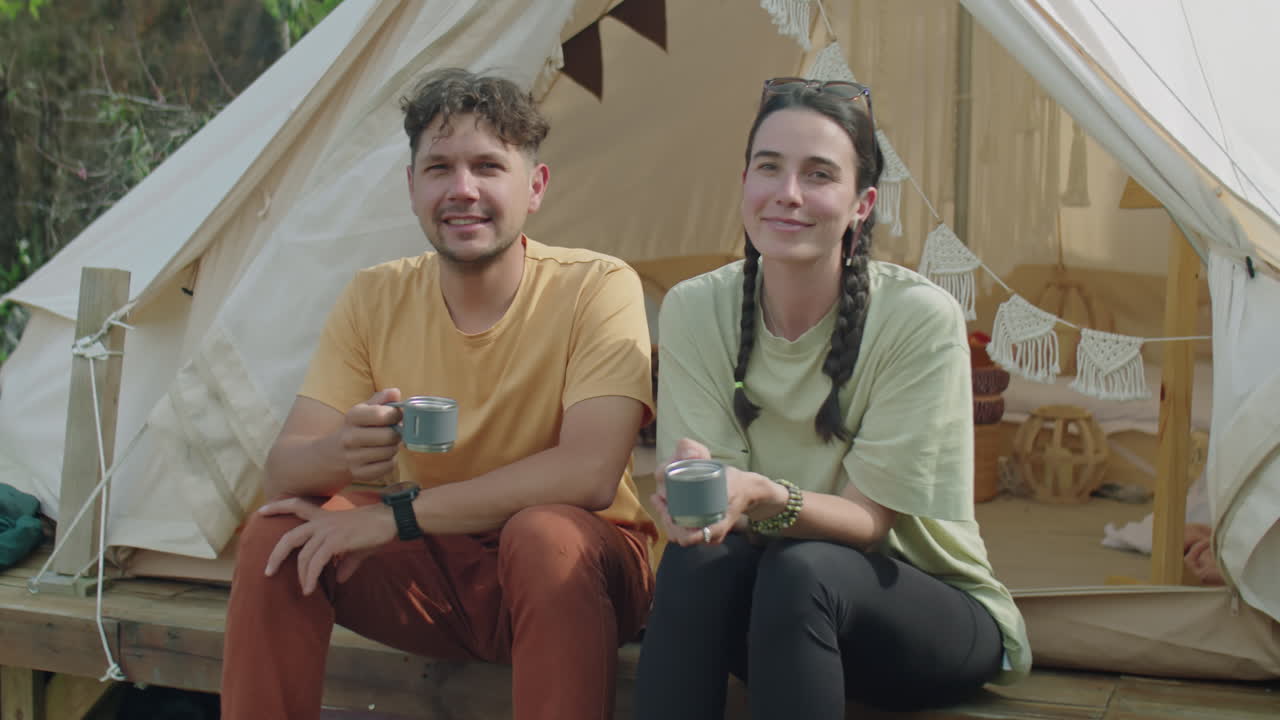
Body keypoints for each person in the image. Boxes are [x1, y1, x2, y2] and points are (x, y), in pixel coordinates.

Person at [221, 68, 657, 720]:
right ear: (411, 186)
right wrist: (345, 450)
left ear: (534, 187)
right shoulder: (375, 295)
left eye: (487, 166)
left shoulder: (596, 287)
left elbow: (590, 474)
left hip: (578, 575)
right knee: (275, 533)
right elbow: (284, 471)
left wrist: (396, 515)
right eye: (439, 169)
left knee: (541, 534)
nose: (463, 190)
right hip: (435, 573)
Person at [634, 78, 1032, 719]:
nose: (788, 195)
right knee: (696, 563)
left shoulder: (918, 318)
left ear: (861, 204)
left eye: (819, 175)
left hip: (923, 616)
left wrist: (759, 494)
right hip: (772, 620)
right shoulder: (693, 308)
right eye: (770, 169)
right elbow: (713, 504)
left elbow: (869, 524)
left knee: (805, 568)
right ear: (744, 183)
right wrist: (691, 502)